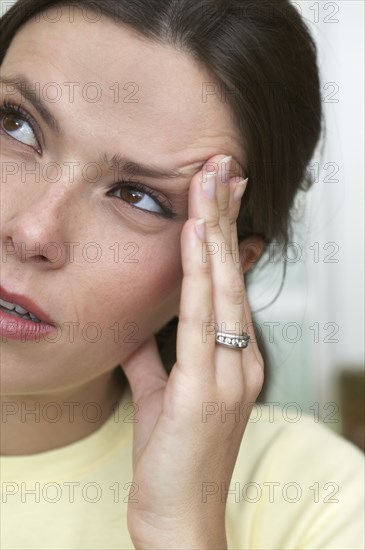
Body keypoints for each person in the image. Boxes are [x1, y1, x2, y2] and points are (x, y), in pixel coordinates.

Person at [0, 1, 363, 548]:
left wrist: (178, 530)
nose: (31, 234)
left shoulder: (318, 500)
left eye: (138, 197)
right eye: (15, 125)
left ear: (222, 271)